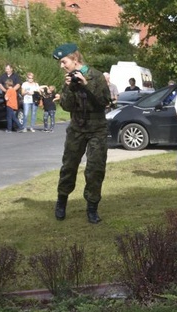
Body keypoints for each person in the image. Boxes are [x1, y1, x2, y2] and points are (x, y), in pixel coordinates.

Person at [51, 43, 112, 224]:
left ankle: (92, 207)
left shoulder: (96, 76)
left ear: (75, 59)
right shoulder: (68, 80)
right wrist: (69, 88)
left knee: (95, 169)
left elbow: (105, 102)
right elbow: (67, 106)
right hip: (77, 129)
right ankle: (61, 201)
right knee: (69, 167)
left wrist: (86, 85)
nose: (62, 66)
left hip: (97, 130)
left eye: (64, 62)